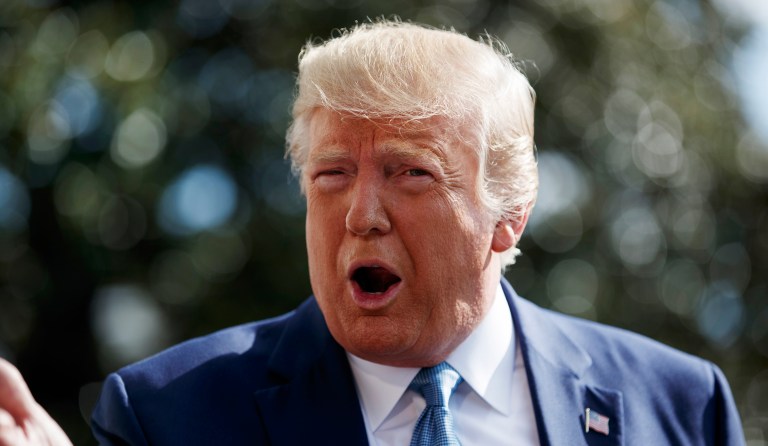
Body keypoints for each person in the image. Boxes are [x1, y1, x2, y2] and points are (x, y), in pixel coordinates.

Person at [0, 19, 745, 446]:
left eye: (409, 173)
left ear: (507, 215)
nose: (361, 213)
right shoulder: (167, 415)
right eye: (331, 175)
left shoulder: (680, 407)